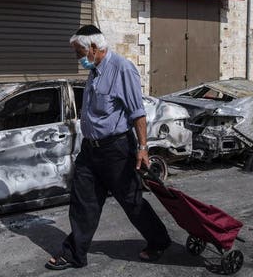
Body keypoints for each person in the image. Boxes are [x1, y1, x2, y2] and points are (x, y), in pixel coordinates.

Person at [45, 25, 171, 270]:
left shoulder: (122, 69)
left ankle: (159, 240)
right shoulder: (95, 71)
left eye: (79, 51)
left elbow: (137, 113)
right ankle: (75, 254)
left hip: (116, 150)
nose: (78, 57)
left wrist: (143, 148)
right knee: (83, 201)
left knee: (131, 201)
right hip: (90, 150)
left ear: (93, 48)